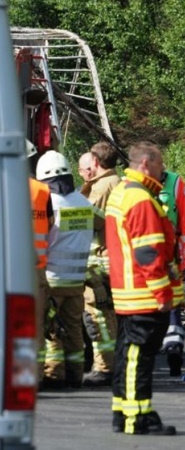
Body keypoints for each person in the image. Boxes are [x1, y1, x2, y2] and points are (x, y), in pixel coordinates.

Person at [105, 141, 182, 436]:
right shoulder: (141, 200)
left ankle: (125, 411)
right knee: (139, 357)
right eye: (161, 166)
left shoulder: (122, 193)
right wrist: (164, 294)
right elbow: (148, 252)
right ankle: (134, 417)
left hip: (128, 291)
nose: (163, 173)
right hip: (143, 293)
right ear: (147, 164)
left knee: (127, 355)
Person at [37, 150, 99, 390]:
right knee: (73, 329)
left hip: (52, 280)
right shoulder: (84, 203)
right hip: (76, 281)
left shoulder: (49, 204)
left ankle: (54, 375)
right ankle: (75, 375)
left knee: (50, 331)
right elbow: (104, 223)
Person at [77, 142, 121, 386]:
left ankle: (104, 368)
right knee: (109, 316)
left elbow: (89, 219)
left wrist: (65, 206)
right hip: (109, 259)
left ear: (94, 162)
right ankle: (109, 363)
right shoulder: (117, 182)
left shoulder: (103, 187)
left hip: (99, 261)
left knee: (98, 316)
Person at [158, 168, 185, 376]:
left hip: (167, 255)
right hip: (165, 256)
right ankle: (173, 344)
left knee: (169, 302)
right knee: (170, 304)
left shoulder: (174, 183)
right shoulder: (130, 185)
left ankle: (171, 346)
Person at [26, 139, 54, 386]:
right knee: (35, 324)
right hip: (36, 268)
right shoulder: (43, 191)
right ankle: (32, 375)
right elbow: (52, 225)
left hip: (8, 269)